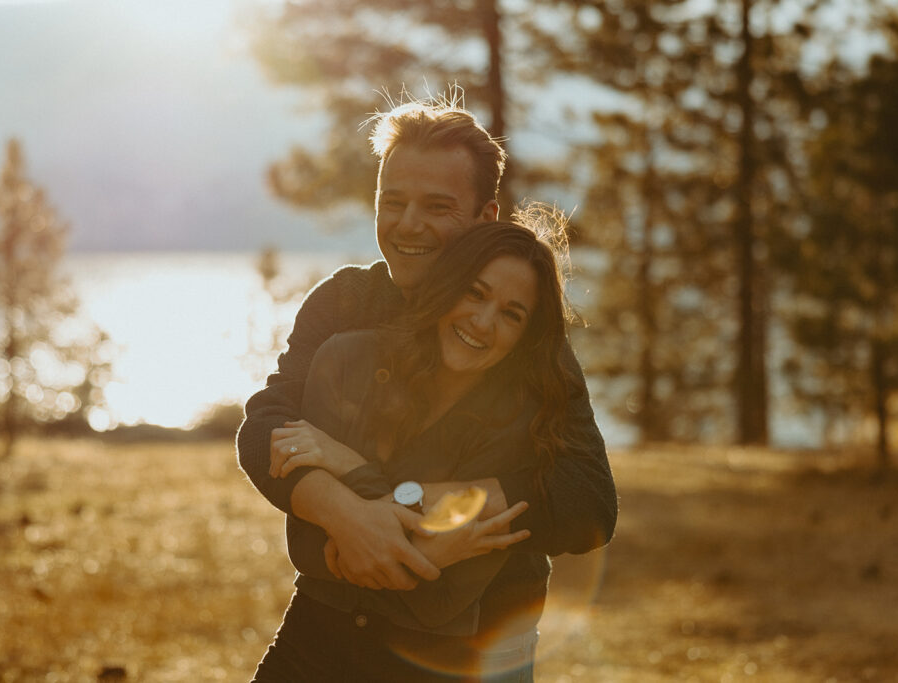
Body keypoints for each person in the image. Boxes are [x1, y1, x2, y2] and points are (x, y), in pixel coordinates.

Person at [235, 98, 617, 667]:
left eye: (436, 206)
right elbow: (266, 425)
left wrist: (427, 507)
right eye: (393, 202)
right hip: (328, 622)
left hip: (471, 654)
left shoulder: (520, 336)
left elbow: (587, 499)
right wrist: (349, 517)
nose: (407, 224)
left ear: (484, 220)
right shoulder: (344, 302)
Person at [254, 219, 588, 681]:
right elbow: (308, 549)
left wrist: (350, 475)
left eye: (512, 314)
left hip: (438, 666)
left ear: (527, 335)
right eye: (474, 292)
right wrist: (415, 543)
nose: (483, 322)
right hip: (315, 647)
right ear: (447, 285)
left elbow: (437, 602)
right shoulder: (346, 360)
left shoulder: (521, 427)